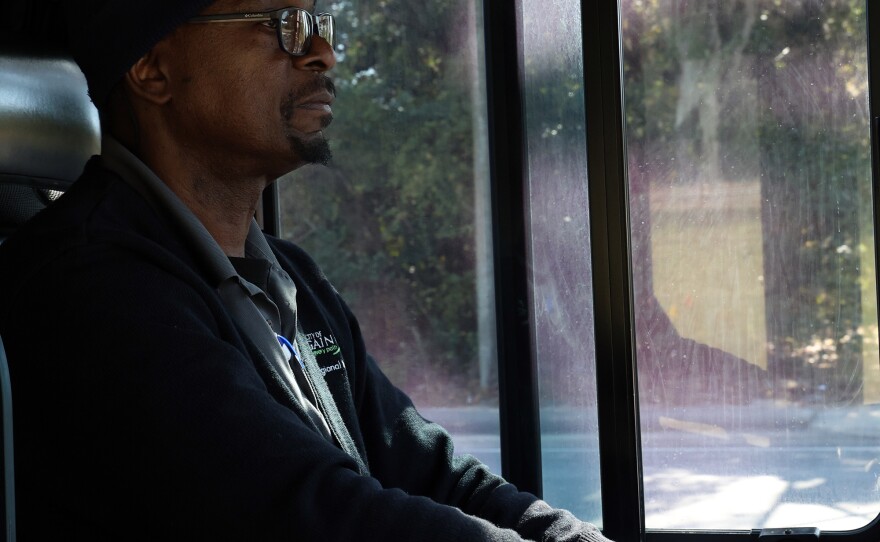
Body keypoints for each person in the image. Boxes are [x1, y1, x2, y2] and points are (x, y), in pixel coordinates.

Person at [0, 1, 613, 540]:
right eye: (284, 25)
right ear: (152, 68)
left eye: (319, 22)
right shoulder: (88, 288)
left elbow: (434, 471)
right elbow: (313, 515)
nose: (323, 52)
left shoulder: (291, 279)